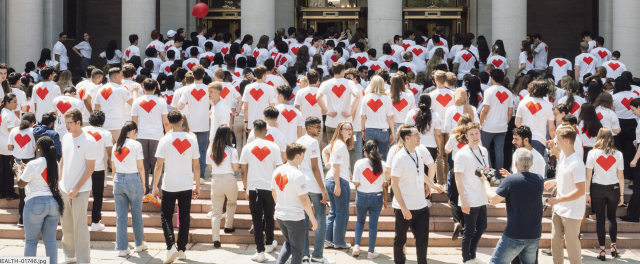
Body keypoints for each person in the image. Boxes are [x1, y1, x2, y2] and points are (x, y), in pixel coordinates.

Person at [151, 110, 200, 263]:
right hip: (186, 184)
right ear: (182, 121)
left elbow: (158, 166)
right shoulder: (192, 139)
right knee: (184, 218)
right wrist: (197, 185)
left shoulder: (164, 140)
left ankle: (170, 246)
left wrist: (154, 186)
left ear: (168, 122)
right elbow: (197, 165)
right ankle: (182, 250)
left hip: (169, 184)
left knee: (166, 216)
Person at [483, 148, 544, 264]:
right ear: (531, 164)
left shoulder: (511, 180)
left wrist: (485, 182)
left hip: (514, 234)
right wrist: (511, 177)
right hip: (534, 234)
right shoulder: (539, 179)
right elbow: (524, 182)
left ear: (515, 164)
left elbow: (493, 200)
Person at [391, 125, 442, 264]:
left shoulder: (418, 151)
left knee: (422, 241)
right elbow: (394, 184)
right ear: (407, 138)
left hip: (421, 206)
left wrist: (432, 185)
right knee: (400, 240)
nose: (420, 137)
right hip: (405, 208)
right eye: (416, 135)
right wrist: (403, 208)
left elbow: (420, 173)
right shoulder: (399, 157)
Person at [240, 119, 283, 262]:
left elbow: (243, 171)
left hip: (254, 188)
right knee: (270, 216)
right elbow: (279, 169)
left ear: (253, 130)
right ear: (266, 130)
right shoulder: (274, 147)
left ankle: (260, 251)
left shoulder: (247, 147)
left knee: (257, 218)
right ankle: (269, 243)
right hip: (271, 187)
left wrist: (246, 188)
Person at [59, 109, 97, 264]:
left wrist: (76, 188)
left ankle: (83, 259)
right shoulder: (65, 137)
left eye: (69, 123)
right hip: (64, 187)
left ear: (78, 122)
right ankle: (69, 255)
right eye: (65, 122)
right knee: (66, 223)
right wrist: (59, 180)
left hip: (81, 189)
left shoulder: (89, 140)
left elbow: (90, 167)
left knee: (80, 225)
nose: (66, 126)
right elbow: (63, 159)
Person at [17, 136, 63, 264]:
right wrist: (27, 169)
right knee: (51, 241)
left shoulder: (34, 163)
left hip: (35, 203)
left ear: (39, 148)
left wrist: (18, 171)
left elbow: (21, 184)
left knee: (31, 241)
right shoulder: (55, 163)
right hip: (53, 203)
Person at [545, 125, 586, 264]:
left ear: (567, 141)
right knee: (555, 241)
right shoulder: (564, 157)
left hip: (572, 211)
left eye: (558, 139)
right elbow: (567, 178)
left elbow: (580, 190)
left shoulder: (576, 163)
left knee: (572, 244)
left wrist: (558, 199)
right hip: (559, 208)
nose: (556, 141)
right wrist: (554, 182)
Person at [585, 128, 624, 260]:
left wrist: (587, 193)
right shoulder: (618, 154)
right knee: (612, 217)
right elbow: (621, 176)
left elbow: (588, 175)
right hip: (613, 188)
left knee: (600, 219)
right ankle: (613, 247)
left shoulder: (592, 153)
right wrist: (622, 195)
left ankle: (602, 250)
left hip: (597, 188)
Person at [295, 116, 329, 263]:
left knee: (304, 220)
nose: (319, 129)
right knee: (321, 219)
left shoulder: (298, 141)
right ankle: (317, 255)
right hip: (314, 185)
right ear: (309, 128)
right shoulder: (313, 142)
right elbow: (315, 168)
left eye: (320, 126)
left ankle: (304, 254)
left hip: (301, 184)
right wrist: (323, 188)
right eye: (317, 126)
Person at [110, 121, 147, 256]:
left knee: (121, 216)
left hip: (118, 180)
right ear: (132, 132)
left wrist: (115, 181)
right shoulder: (136, 145)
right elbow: (141, 167)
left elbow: (113, 168)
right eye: (135, 132)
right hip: (133, 179)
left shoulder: (116, 145)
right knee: (136, 213)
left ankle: (122, 248)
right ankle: (139, 244)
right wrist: (143, 184)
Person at [454, 122, 490, 264]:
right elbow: (458, 178)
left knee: (482, 227)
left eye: (477, 133)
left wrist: (486, 171)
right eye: (472, 134)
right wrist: (463, 200)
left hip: (481, 196)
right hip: (469, 197)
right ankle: (466, 259)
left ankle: (473, 255)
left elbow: (483, 171)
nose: (475, 136)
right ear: (466, 136)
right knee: (468, 231)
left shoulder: (484, 150)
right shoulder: (461, 154)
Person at [132, 78, 169, 195]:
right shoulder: (161, 101)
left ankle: (144, 189)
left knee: (143, 164)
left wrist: (133, 137)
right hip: (157, 136)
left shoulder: (137, 101)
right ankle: (156, 189)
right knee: (157, 164)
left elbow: (134, 121)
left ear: (143, 89)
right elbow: (166, 122)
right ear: (155, 88)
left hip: (141, 135)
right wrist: (168, 135)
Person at [351, 140, 387, 259]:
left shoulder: (359, 163)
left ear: (364, 151)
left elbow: (356, 182)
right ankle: (371, 252)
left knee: (360, 221)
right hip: (377, 197)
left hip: (362, 196)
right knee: (373, 225)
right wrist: (385, 201)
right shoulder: (382, 164)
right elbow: (385, 185)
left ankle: (356, 246)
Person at [323, 121, 355, 250]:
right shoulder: (340, 145)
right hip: (338, 181)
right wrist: (338, 184)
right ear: (340, 131)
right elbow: (335, 166)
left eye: (350, 128)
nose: (349, 131)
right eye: (346, 128)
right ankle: (338, 242)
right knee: (342, 213)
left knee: (334, 212)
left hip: (334, 179)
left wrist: (327, 163)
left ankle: (328, 240)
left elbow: (324, 152)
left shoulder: (335, 144)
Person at [79, 110, 112, 232]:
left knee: (82, 194)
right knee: (98, 196)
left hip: (82, 168)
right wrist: (113, 169)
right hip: (98, 168)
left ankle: (80, 222)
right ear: (102, 121)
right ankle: (95, 222)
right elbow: (110, 153)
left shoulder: (83, 131)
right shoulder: (106, 133)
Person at [206, 125, 239, 248]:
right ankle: (228, 227)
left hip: (216, 180)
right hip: (229, 179)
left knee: (216, 211)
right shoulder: (232, 150)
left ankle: (216, 239)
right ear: (228, 136)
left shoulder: (210, 150)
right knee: (231, 202)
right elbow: (236, 168)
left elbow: (209, 168)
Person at [176, 66, 209, 184]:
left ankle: (190, 174)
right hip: (204, 123)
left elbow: (180, 106)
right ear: (204, 75)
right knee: (202, 150)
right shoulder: (208, 89)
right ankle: (200, 176)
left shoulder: (186, 89)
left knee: (189, 150)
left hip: (190, 124)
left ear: (193, 75)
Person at [480, 70, 513, 181]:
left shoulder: (489, 91)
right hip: (502, 127)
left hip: (488, 127)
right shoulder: (509, 93)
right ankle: (499, 176)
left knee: (485, 150)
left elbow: (485, 110)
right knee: (500, 152)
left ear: (492, 78)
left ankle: (489, 174)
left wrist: (480, 123)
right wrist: (505, 123)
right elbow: (510, 113)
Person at [316, 62, 360, 141]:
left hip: (331, 122)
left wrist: (327, 112)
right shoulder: (350, 83)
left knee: (332, 148)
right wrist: (351, 113)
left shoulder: (325, 83)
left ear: (332, 71)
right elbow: (357, 96)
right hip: (346, 123)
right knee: (346, 149)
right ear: (343, 71)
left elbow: (318, 97)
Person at [8, 113, 36, 226]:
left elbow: (10, 147)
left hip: (15, 161)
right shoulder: (32, 131)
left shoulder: (14, 130)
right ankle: (27, 218)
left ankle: (22, 219)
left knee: (21, 190)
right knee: (29, 190)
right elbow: (36, 147)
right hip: (29, 162)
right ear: (32, 122)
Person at [515, 80, 555, 157]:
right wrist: (553, 142)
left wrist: (522, 134)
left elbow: (517, 123)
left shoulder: (523, 102)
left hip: (524, 139)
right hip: (540, 140)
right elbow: (551, 128)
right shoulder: (548, 105)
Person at [94, 67, 134, 142]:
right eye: (121, 76)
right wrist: (135, 92)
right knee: (120, 149)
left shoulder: (100, 90)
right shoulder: (121, 89)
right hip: (118, 124)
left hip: (104, 125)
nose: (122, 78)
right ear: (116, 77)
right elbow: (134, 104)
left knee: (107, 150)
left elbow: (96, 109)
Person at [360, 76, 395, 160]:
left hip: (369, 129)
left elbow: (363, 117)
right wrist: (392, 132)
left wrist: (363, 131)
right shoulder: (387, 98)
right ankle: (382, 172)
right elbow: (390, 117)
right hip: (383, 130)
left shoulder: (366, 98)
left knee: (370, 154)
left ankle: (371, 171)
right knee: (383, 155)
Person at [612, 77, 637, 182]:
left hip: (619, 124)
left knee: (617, 150)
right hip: (633, 124)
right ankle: (631, 179)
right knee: (631, 151)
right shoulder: (635, 95)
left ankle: (618, 176)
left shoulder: (614, 97)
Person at [0, 94, 20, 200]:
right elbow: (11, 131)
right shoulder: (9, 114)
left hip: (2, 145)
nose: (17, 104)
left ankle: (2, 192)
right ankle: (9, 193)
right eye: (14, 102)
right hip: (8, 145)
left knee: (3, 168)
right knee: (8, 170)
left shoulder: (3, 111)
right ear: (7, 102)